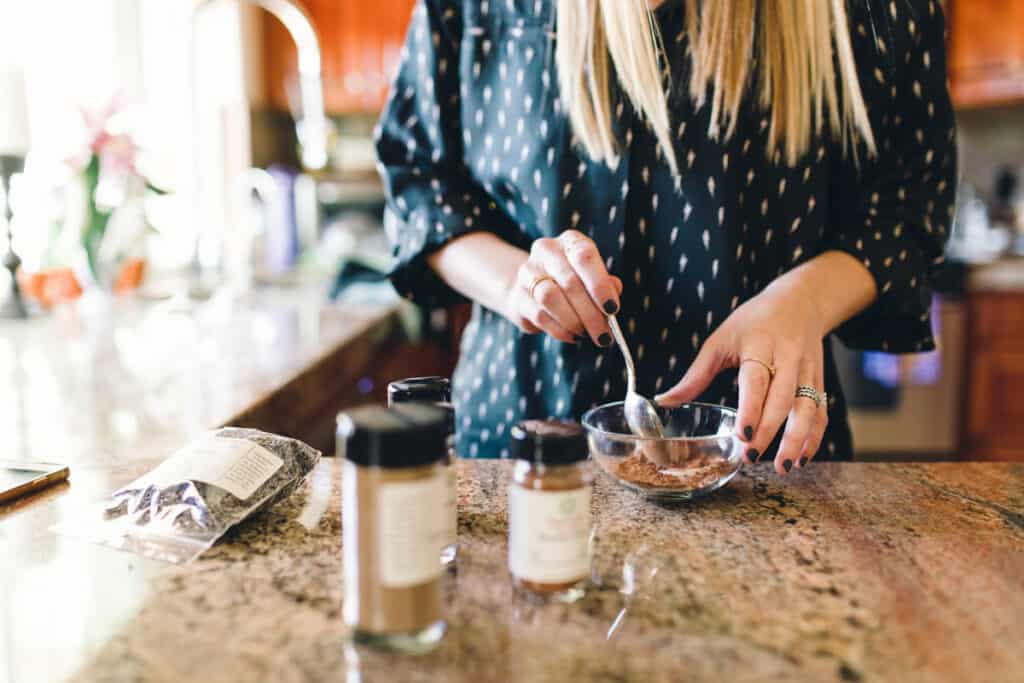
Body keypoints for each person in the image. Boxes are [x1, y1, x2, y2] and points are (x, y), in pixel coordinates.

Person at [375, 0, 956, 473]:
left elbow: (908, 208)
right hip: (519, 453)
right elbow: (421, 182)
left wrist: (804, 300)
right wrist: (519, 284)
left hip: (762, 461)